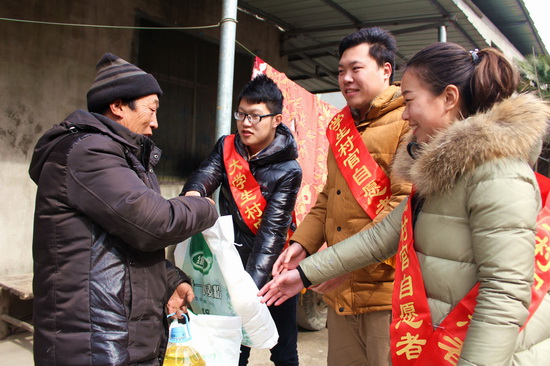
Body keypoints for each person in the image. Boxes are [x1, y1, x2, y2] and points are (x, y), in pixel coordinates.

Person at [260, 42, 550, 365]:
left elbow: (504, 296)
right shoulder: (443, 170)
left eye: (410, 101)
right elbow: (382, 235)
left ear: (449, 99)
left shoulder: (499, 174)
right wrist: (304, 273)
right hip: (437, 340)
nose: (406, 113)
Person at [28, 53, 218, 366]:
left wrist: (169, 280)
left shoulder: (122, 158)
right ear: (118, 106)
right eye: (152, 110)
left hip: (118, 338)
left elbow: (120, 241)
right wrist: (204, 207)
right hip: (95, 344)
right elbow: (155, 224)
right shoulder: (89, 152)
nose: (155, 123)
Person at [272, 27, 411, 366]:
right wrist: (300, 245)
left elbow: (403, 209)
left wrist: (343, 267)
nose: (346, 79)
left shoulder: (408, 121)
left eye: (356, 68)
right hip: (339, 292)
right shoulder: (341, 125)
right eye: (340, 71)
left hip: (387, 294)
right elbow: (327, 197)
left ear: (385, 70)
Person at [181, 74, 302, 365]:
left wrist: (246, 293)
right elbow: (206, 175)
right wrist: (193, 194)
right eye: (241, 114)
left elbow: (271, 235)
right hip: (229, 264)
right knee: (234, 349)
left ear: (276, 119)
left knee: (283, 349)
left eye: (255, 116)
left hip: (273, 269)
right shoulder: (227, 146)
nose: (246, 123)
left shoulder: (289, 169)